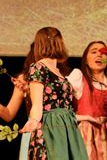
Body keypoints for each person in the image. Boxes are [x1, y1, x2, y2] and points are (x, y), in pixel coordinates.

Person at [20, 27, 88, 159]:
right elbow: (37, 104)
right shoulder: (38, 67)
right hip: (51, 128)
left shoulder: (58, 71)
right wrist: (33, 120)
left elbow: (64, 107)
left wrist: (86, 117)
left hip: (67, 127)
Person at [67, 41, 107, 159]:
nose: (99, 55)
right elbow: (59, 105)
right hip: (86, 135)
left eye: (103, 52)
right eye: (94, 52)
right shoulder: (79, 77)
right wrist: (84, 117)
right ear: (86, 59)